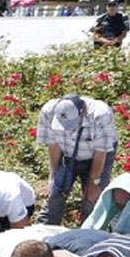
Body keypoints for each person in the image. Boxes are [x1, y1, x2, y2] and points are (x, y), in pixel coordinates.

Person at [37, 94, 118, 224]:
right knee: (54, 195)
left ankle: (89, 234)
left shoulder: (100, 115)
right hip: (67, 155)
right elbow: (54, 144)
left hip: (96, 156)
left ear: (82, 112)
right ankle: (43, 234)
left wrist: (94, 183)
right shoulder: (48, 111)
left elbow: (100, 152)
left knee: (92, 200)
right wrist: (52, 176)